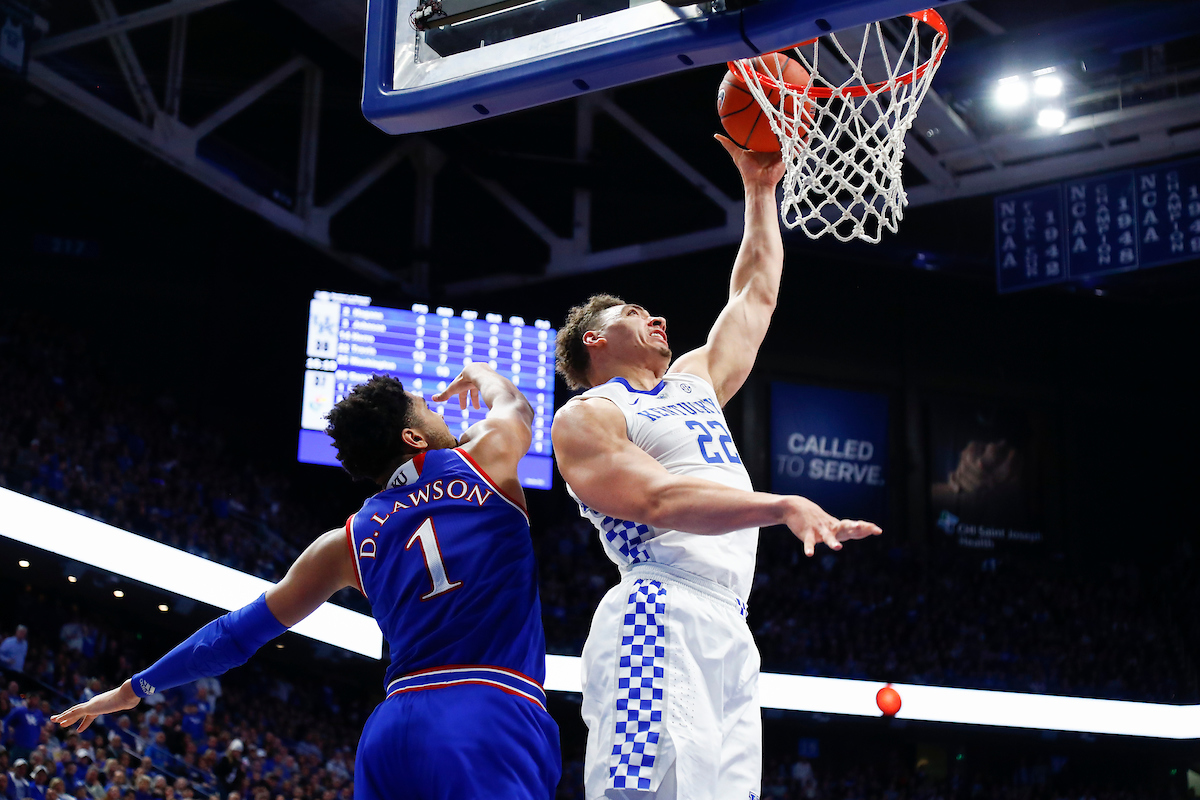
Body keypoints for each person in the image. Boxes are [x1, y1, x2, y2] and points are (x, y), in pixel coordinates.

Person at [50, 365, 561, 800]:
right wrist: (480, 374)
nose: (440, 411)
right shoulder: (486, 461)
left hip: (390, 733)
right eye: (428, 408)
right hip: (488, 708)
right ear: (413, 438)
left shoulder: (344, 542)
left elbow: (234, 636)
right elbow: (515, 404)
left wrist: (134, 688)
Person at [551, 136, 882, 800]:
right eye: (635, 314)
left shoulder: (693, 380)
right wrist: (782, 504)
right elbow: (660, 503)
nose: (657, 317)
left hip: (731, 622)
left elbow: (755, 296)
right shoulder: (588, 415)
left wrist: (761, 192)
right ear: (595, 338)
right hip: (658, 608)